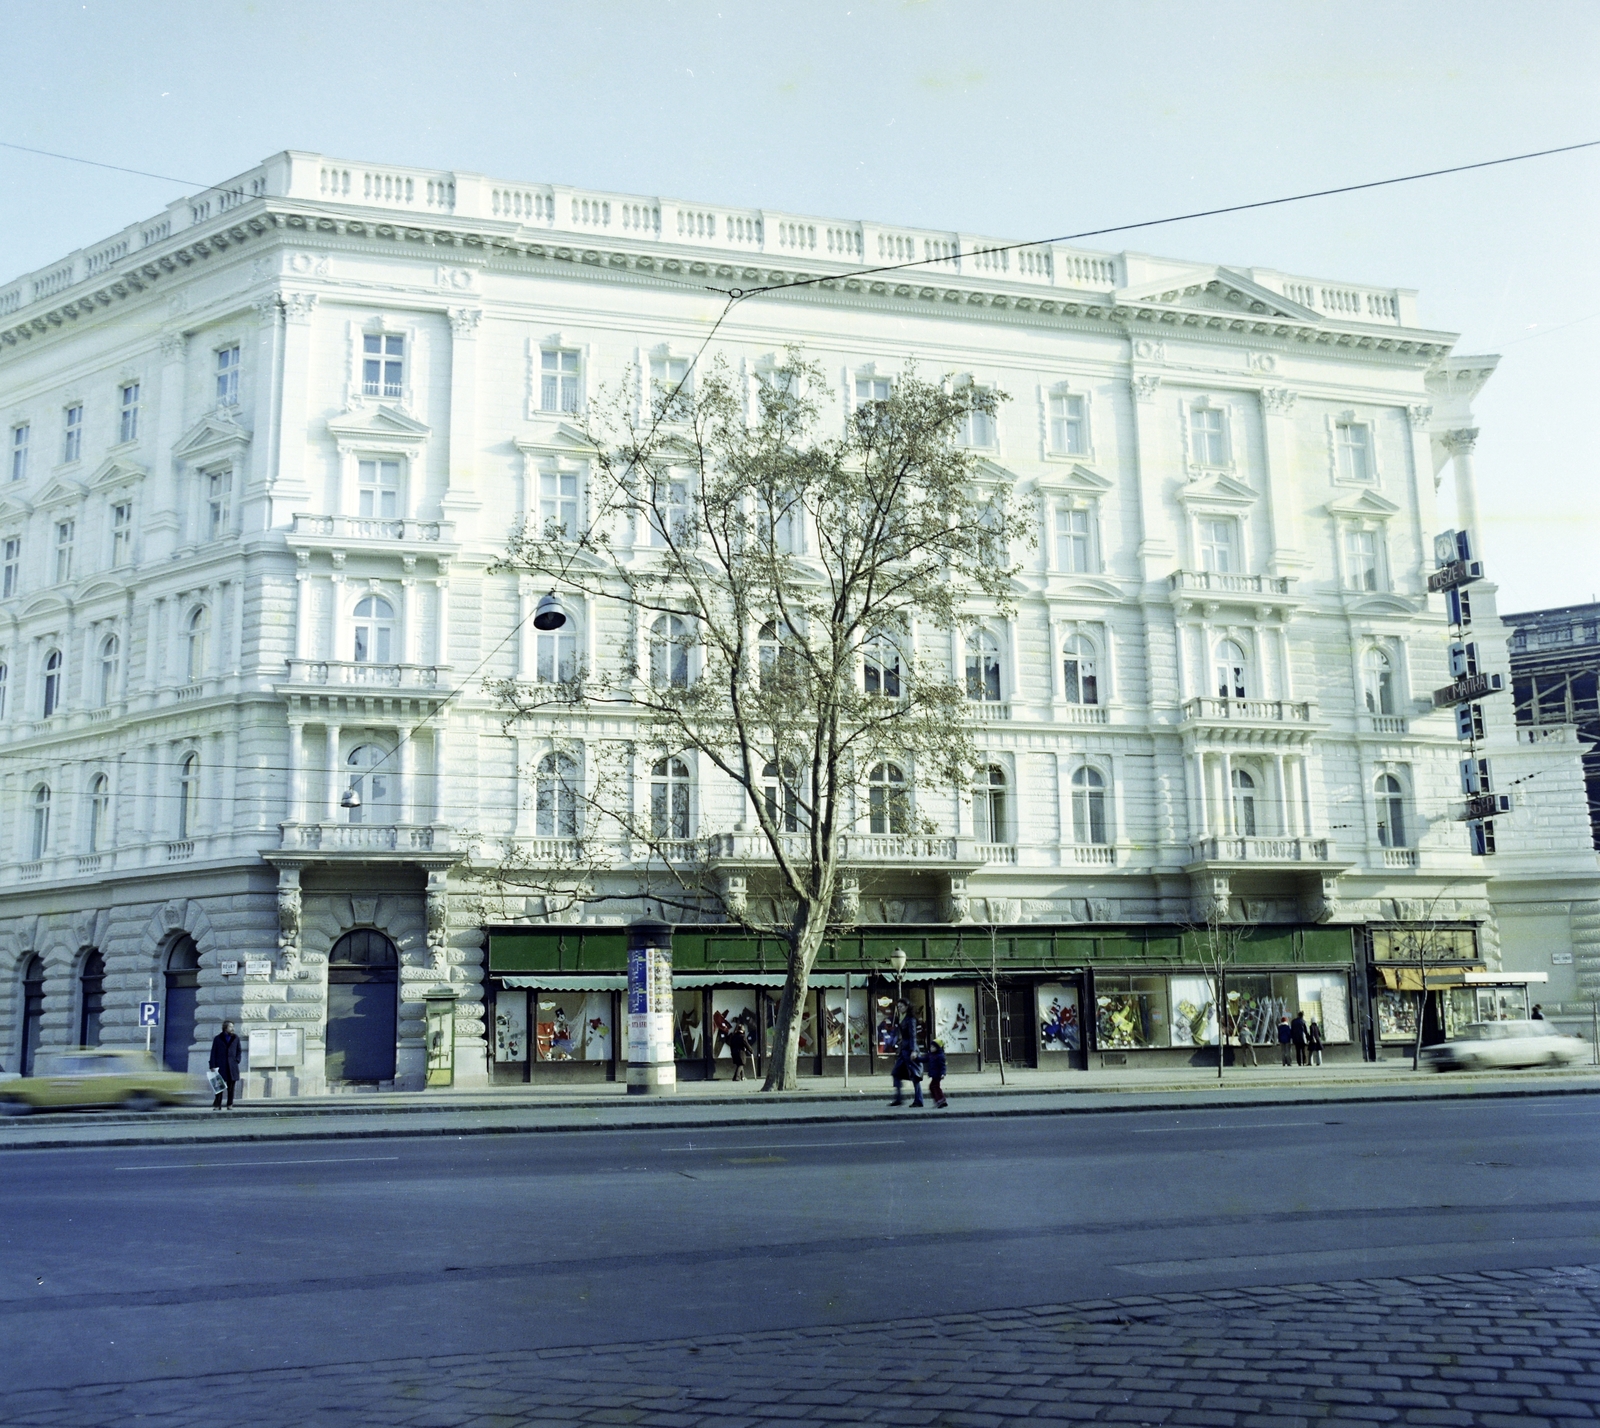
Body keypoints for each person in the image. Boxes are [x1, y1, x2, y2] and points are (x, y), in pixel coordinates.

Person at [888, 1004, 924, 1107]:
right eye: (898, 1007)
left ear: (907, 1007)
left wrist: (913, 1050)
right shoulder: (902, 1018)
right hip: (903, 1051)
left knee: (915, 1076)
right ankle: (898, 1098)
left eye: (901, 1006)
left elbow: (913, 1035)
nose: (899, 1008)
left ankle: (919, 1100)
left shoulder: (911, 1019)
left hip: (909, 1050)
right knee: (896, 1073)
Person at [209, 1020, 241, 1110]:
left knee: (231, 1087)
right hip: (220, 1066)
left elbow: (239, 1051)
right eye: (230, 1027)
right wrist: (212, 1065)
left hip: (232, 1066)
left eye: (232, 1027)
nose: (232, 1028)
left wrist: (237, 1060)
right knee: (219, 1087)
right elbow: (213, 1052)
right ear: (225, 1028)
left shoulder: (235, 1038)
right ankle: (217, 1105)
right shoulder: (217, 1038)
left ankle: (229, 1104)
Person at [925, 1038, 949, 1108]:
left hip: (937, 1074)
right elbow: (925, 1059)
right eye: (931, 1046)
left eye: (933, 1047)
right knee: (935, 1087)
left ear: (937, 1048)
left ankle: (939, 1100)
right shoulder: (931, 1055)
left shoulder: (940, 1056)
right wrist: (917, 1059)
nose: (931, 1048)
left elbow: (942, 1066)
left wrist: (943, 1073)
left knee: (934, 1087)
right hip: (934, 1074)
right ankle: (941, 1099)